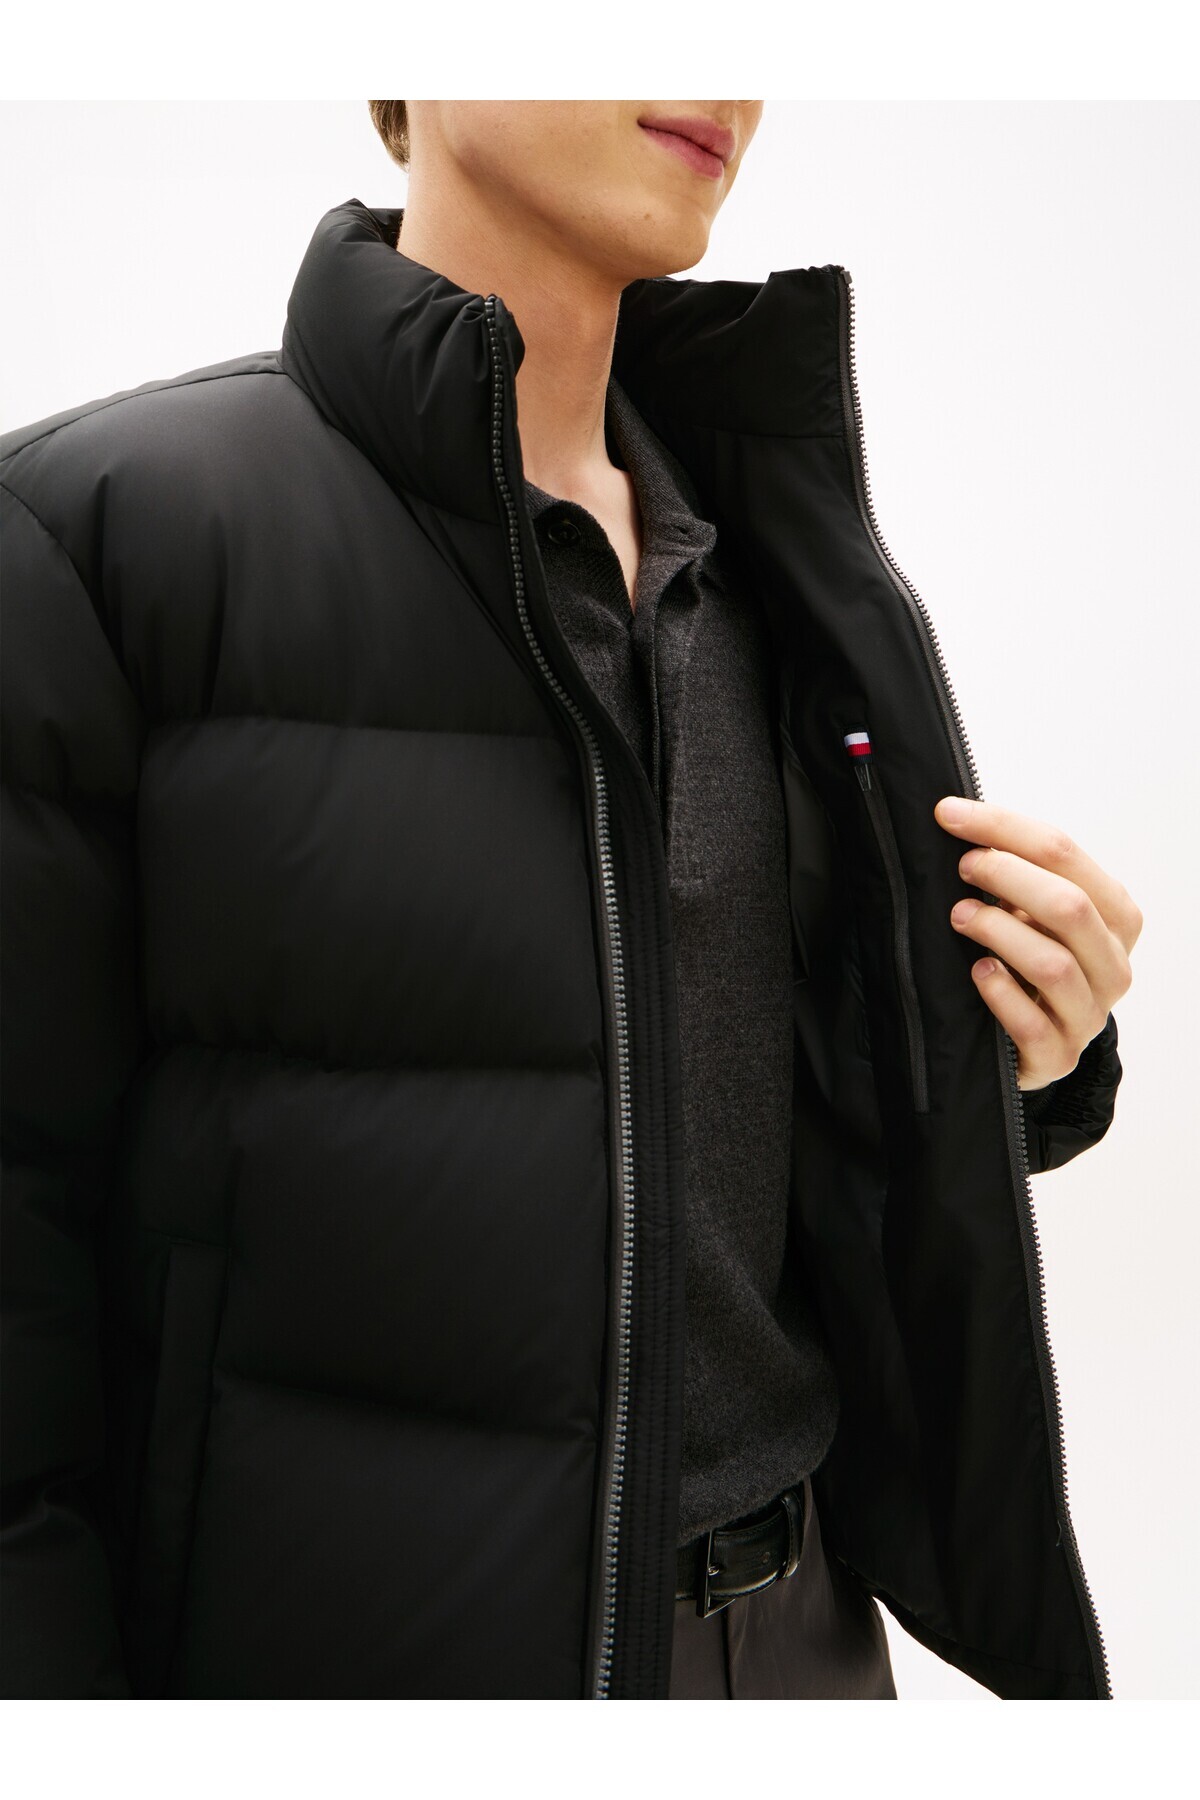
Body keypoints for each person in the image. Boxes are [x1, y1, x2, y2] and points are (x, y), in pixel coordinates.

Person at [0, 100, 1139, 1701]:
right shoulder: (100, 538)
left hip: (808, 1661)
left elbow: (737, 1125)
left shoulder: (771, 565)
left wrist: (1023, 1052)